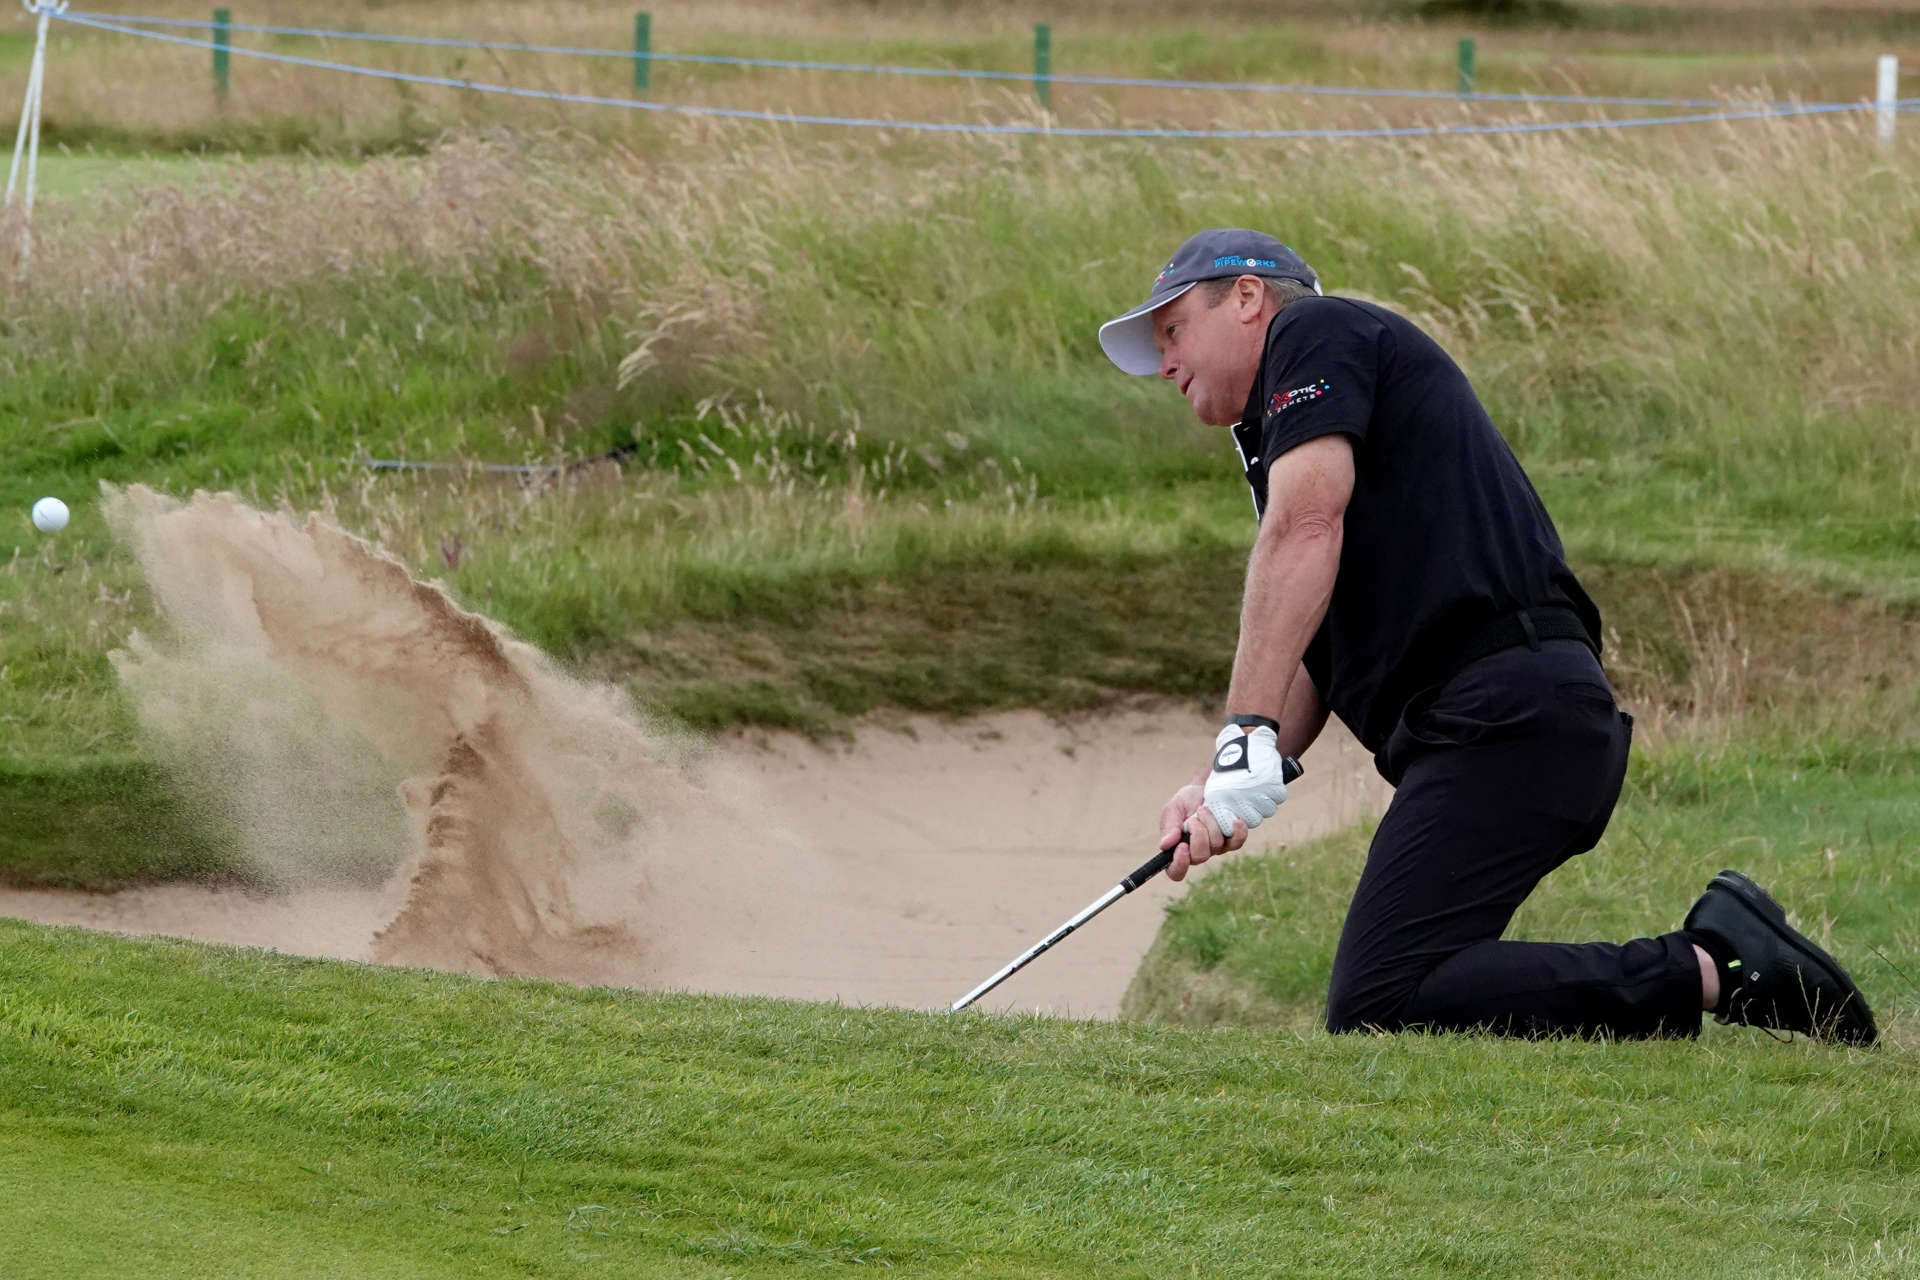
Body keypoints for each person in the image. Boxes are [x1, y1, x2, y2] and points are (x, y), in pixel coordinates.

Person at [1096, 228, 1876, 1044]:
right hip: (1493, 723)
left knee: (1379, 1000)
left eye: (1174, 331)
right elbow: (1314, 640)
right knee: (1387, 995)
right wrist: (1222, 784)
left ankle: (1715, 964)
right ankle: (1719, 958)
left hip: (1508, 710)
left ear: (1248, 299)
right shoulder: (1296, 426)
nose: (1165, 363)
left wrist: (1243, 733)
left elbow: (1304, 528)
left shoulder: (1315, 333)